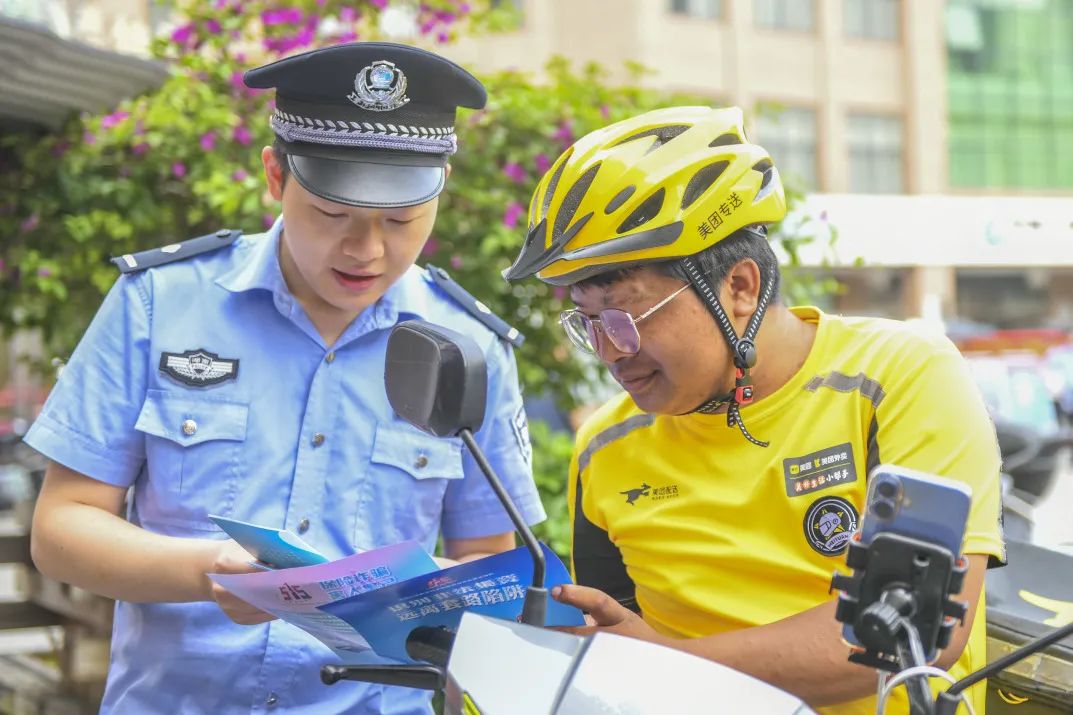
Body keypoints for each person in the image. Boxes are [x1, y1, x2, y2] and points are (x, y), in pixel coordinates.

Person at [26, 42, 544, 714]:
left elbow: (485, 568)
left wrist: (428, 595)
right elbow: (62, 528)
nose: (366, 250)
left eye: (400, 220)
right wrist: (205, 572)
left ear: (440, 187)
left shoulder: (471, 347)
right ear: (276, 175)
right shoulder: (159, 303)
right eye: (332, 215)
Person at [504, 106, 1004, 714]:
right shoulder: (606, 446)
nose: (610, 352)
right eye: (588, 324)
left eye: (624, 319)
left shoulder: (901, 376)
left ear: (739, 287)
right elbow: (611, 646)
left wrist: (663, 667)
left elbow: (911, 630)